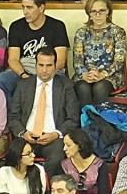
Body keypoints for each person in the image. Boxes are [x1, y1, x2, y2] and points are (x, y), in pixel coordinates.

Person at [7, 48, 80, 176]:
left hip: (53, 138)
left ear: (55, 66)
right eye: (41, 65)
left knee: (57, 157)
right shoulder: (23, 85)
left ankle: (48, 192)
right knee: (15, 155)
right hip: (27, 137)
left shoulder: (66, 86)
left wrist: (56, 134)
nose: (44, 70)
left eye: (49, 65)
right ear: (35, 65)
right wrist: (23, 133)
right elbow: (13, 117)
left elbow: (73, 118)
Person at [0, 0, 69, 98]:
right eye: (23, 7)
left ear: (41, 8)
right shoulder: (16, 26)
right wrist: (23, 75)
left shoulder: (57, 26)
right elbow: (13, 59)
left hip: (49, 71)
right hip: (23, 70)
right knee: (0, 80)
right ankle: (13, 114)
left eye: (29, 7)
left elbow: (60, 61)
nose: (25, 11)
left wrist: (41, 76)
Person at [71, 0, 127, 105]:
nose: (98, 15)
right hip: (85, 75)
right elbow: (77, 61)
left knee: (99, 87)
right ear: (89, 14)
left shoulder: (118, 32)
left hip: (110, 75)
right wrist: (85, 74)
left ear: (108, 12)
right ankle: (86, 120)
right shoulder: (81, 32)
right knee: (83, 88)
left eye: (102, 11)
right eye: (93, 11)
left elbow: (119, 61)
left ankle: (99, 121)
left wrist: (102, 74)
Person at [60, 129, 109, 194]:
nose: (64, 149)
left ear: (79, 145)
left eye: (68, 145)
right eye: (64, 145)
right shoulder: (64, 165)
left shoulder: (99, 165)